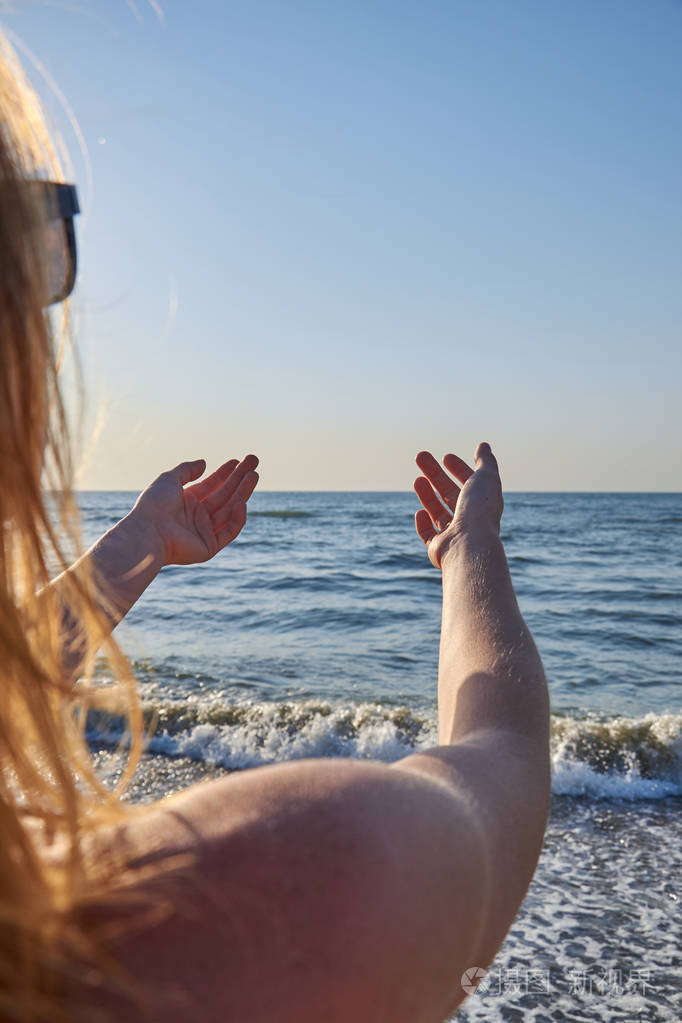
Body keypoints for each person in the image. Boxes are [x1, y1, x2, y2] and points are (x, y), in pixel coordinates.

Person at [0, 34, 549, 1023]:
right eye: (27, 241)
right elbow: (505, 760)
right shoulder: (282, 891)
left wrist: (138, 543)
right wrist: (474, 557)